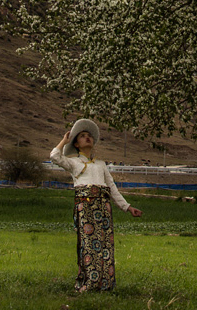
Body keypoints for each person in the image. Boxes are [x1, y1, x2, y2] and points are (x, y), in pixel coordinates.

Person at [50, 118, 142, 293]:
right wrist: (64, 140)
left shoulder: (101, 165)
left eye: (89, 136)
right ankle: (88, 282)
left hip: (103, 208)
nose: (87, 138)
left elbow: (112, 188)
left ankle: (104, 283)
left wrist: (127, 207)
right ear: (76, 144)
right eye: (82, 136)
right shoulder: (73, 163)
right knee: (88, 244)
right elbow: (54, 156)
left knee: (105, 244)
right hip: (85, 208)